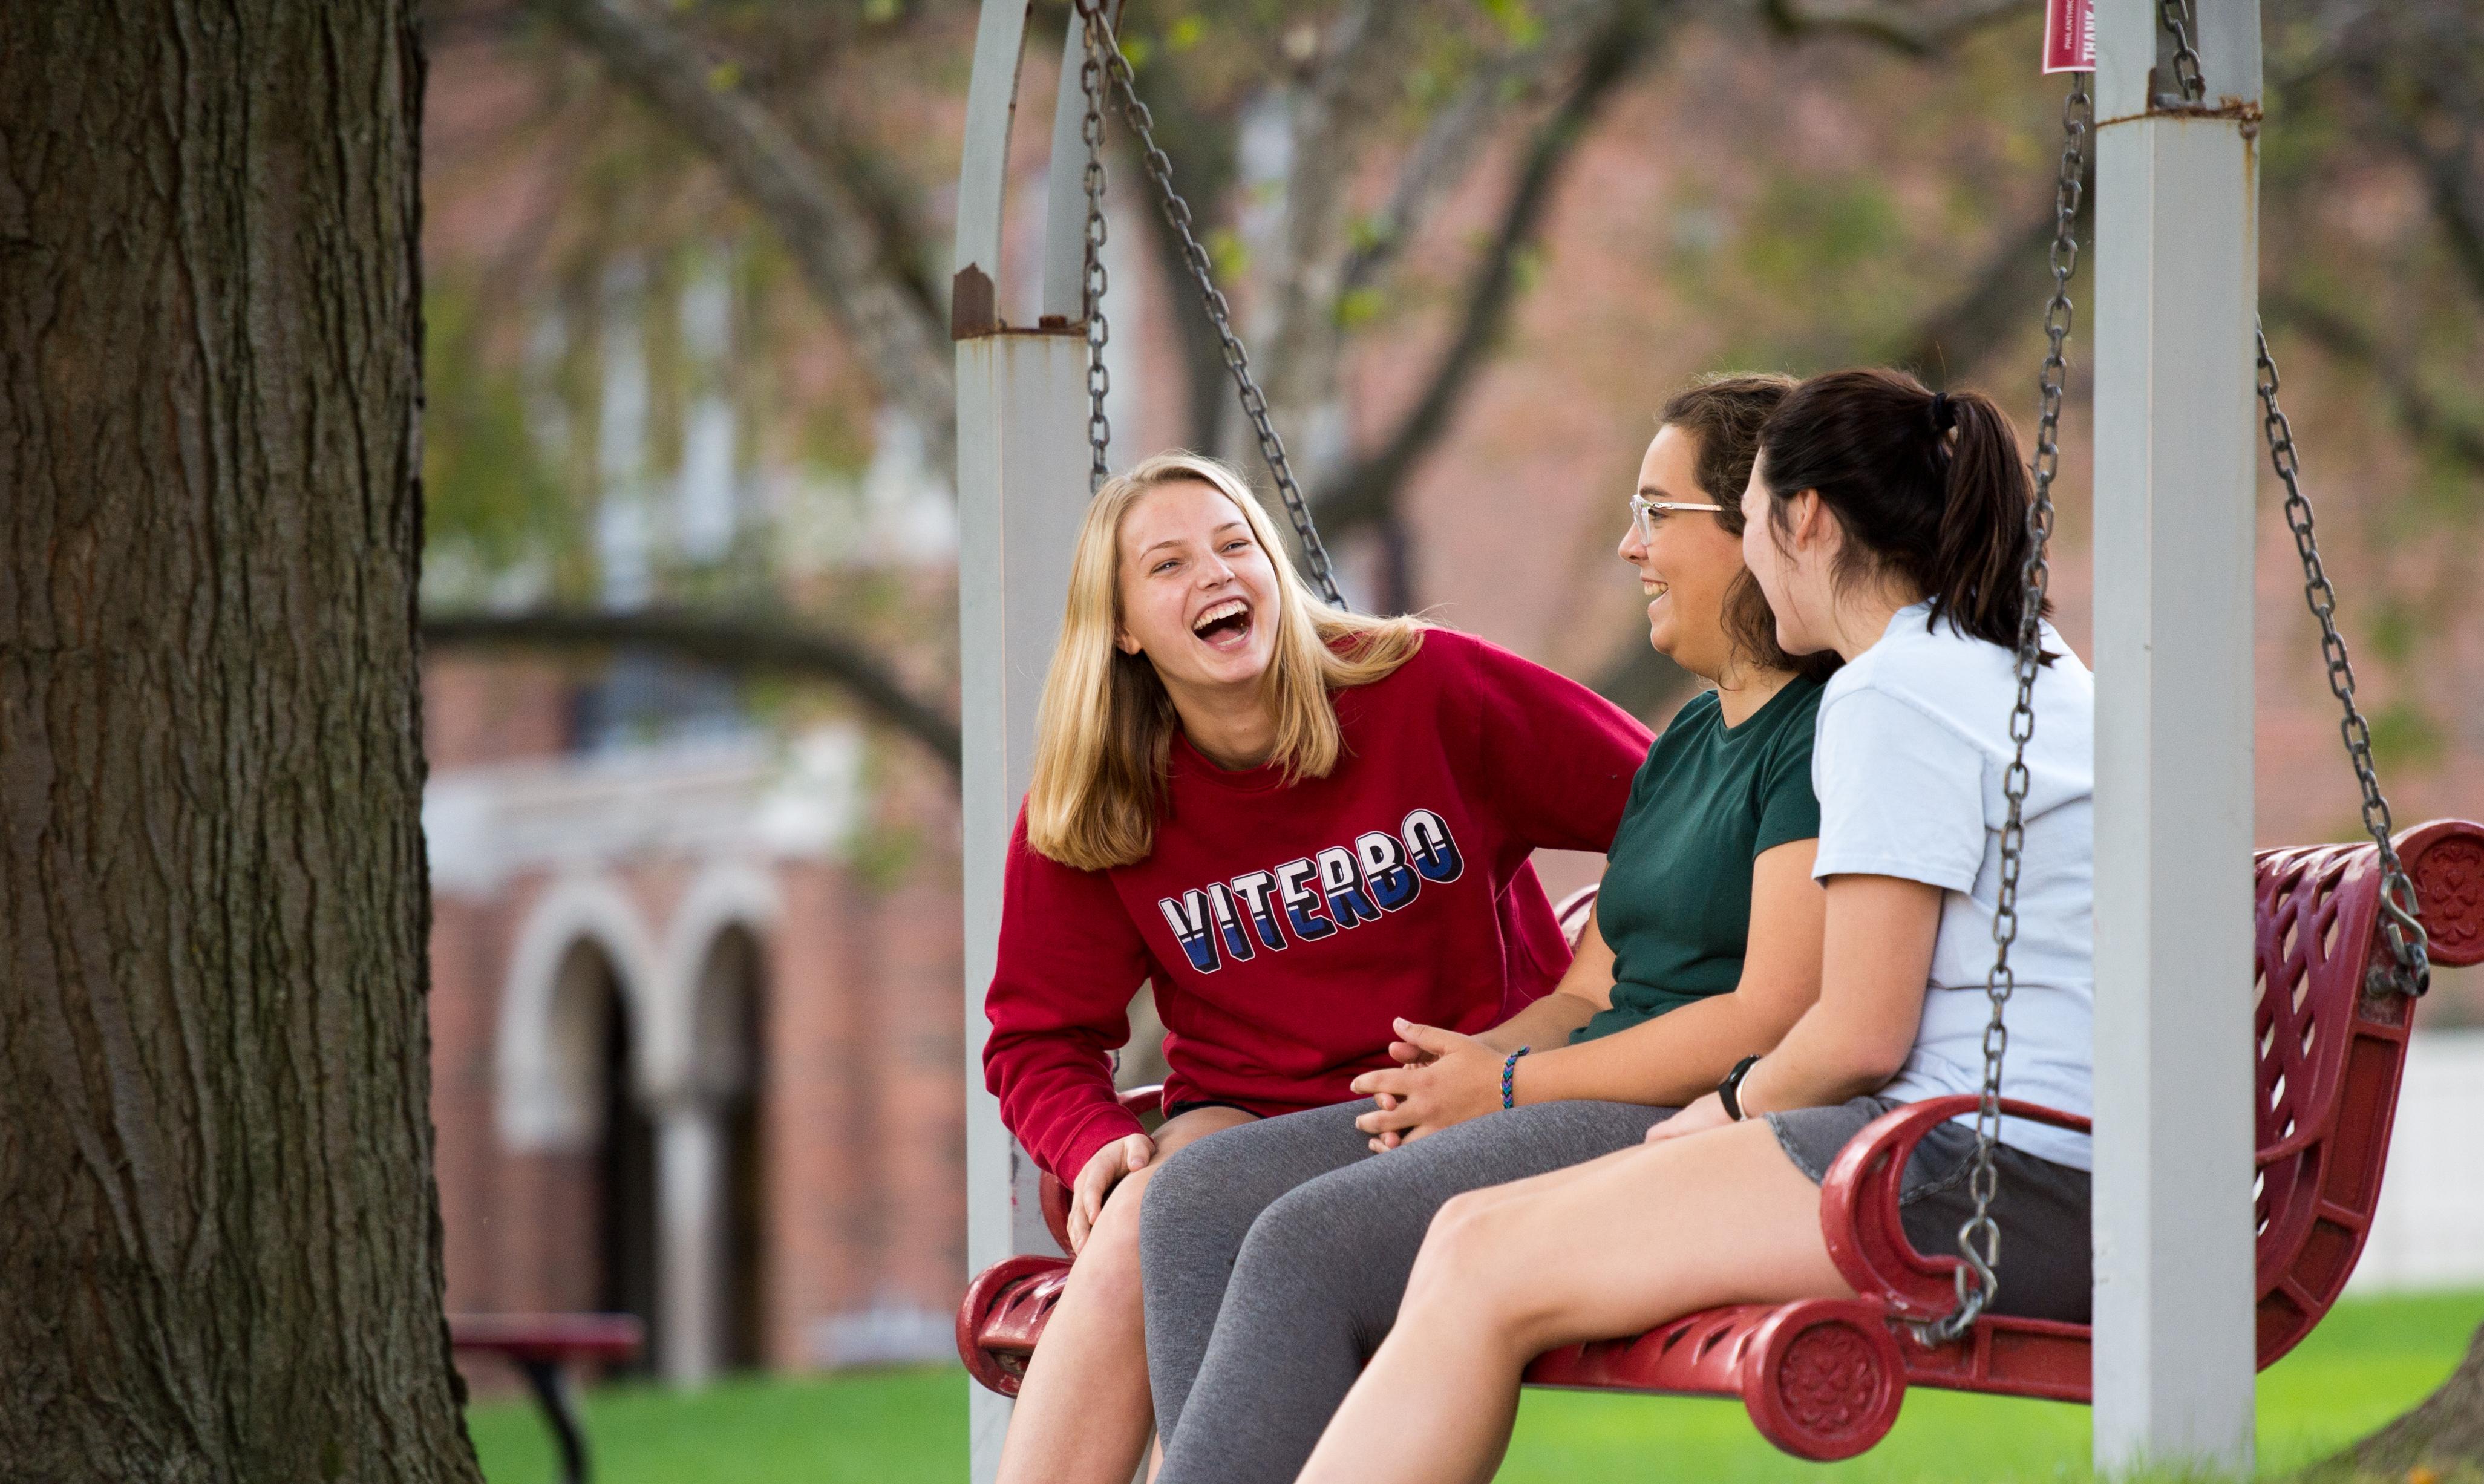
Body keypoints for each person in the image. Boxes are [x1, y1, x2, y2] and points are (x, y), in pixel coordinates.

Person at [1294, 367, 2097, 1484]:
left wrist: (1718, 1111)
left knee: (1477, 1256)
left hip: (1978, 1183)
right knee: (1470, 1244)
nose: (1753, 565)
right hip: (2049, 1166)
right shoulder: (2029, 668)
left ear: (1801, 517)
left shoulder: (1887, 692)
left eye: (1755, 520)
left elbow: (1857, 1032)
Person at [1138, 375, 1840, 1484]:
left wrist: (1505, 1093)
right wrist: (1466, 1065)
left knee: (1306, 1245)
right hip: (1573, 1088)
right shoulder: (1687, 737)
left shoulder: (1822, 733)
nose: (1629, 545)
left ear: (1759, 528)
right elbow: (1583, 991)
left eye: (1656, 513)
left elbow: (1770, 1016)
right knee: (1193, 1198)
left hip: (1679, 1122)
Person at [984, 451, 1652, 1484]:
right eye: (1165, 565)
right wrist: (1095, 1143)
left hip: (1464, 1092)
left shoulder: (1420, 686)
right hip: (1252, 1108)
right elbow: (1038, 1035)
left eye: (1234, 543)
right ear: (1119, 626)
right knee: (1139, 1221)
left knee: (1228, 1222)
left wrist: (1582, 993)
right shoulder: (1098, 793)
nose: (1212, 574)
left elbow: (1673, 809)